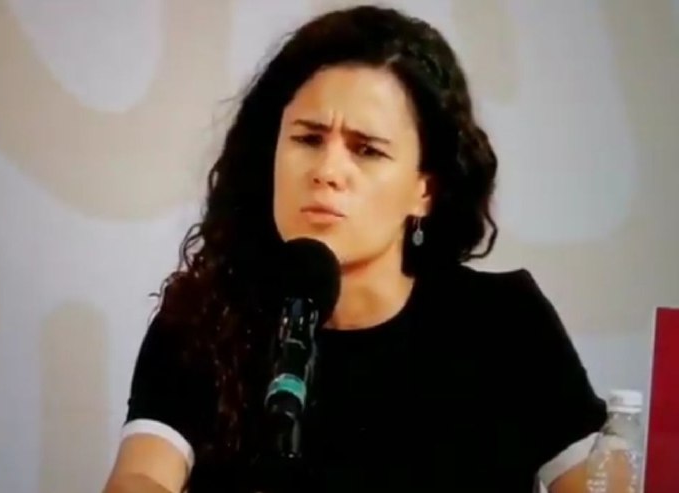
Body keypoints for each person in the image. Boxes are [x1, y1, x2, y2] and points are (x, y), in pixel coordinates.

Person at [103, 5, 609, 493]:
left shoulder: (506, 322)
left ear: (425, 190)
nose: (327, 171)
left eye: (366, 150)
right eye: (308, 139)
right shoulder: (204, 319)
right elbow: (139, 477)